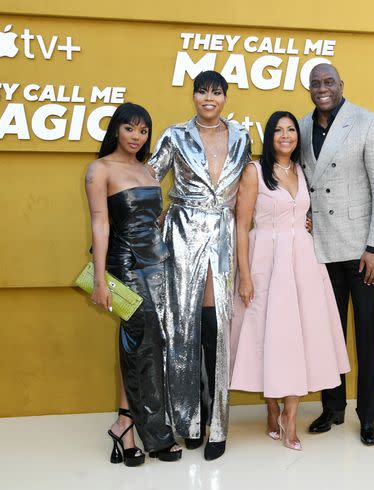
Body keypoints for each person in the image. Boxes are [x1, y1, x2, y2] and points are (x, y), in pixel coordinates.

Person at [230, 111, 350, 451]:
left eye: (291, 130)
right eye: (279, 130)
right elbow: (241, 226)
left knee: (301, 337)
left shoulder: (302, 170)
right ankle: (271, 407)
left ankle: (290, 417)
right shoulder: (254, 172)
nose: (286, 136)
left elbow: (303, 213)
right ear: (269, 137)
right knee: (267, 334)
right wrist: (244, 274)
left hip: (304, 262)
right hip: (265, 260)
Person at [148, 71, 251, 461]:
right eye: (202, 91)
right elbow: (148, 178)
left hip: (223, 234)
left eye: (217, 92)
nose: (209, 98)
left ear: (225, 98)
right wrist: (149, 220)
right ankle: (189, 420)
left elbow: (250, 187)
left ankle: (219, 428)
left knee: (220, 328)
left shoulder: (241, 137)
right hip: (182, 233)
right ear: (193, 96)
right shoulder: (174, 136)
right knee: (182, 328)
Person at [299, 63, 374, 445]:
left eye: (329, 82)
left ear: (341, 85)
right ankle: (332, 407)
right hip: (321, 248)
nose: (322, 88)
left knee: (368, 336)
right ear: (309, 90)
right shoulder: (301, 127)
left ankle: (368, 416)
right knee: (328, 335)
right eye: (315, 84)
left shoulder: (369, 123)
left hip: (361, 249)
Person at [85, 102, 181, 466]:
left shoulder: (148, 169)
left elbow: (151, 218)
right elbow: (100, 224)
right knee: (142, 347)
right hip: (124, 268)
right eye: (130, 129)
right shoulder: (99, 169)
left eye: (143, 131)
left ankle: (124, 425)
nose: (136, 136)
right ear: (117, 130)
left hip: (157, 267)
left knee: (144, 347)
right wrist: (99, 279)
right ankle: (156, 437)